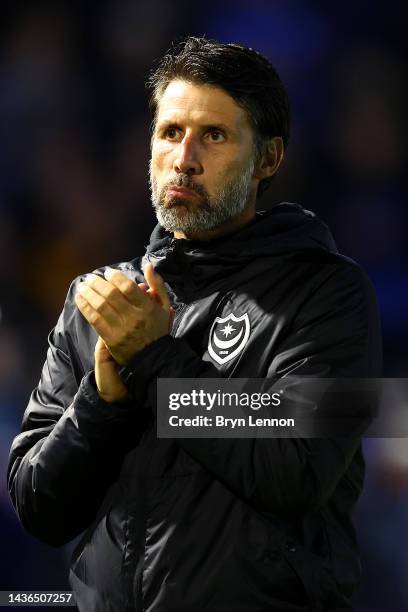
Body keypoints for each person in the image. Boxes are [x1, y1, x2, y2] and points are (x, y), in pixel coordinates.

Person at [8, 37, 382, 611]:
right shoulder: (101, 301)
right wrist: (103, 401)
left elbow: (295, 469)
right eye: (170, 132)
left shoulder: (330, 295)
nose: (184, 159)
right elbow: (38, 506)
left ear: (269, 158)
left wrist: (154, 362)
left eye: (214, 135)